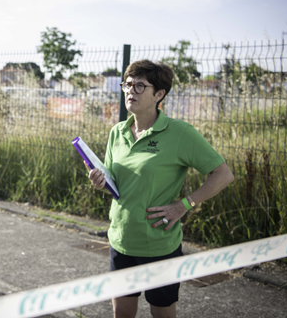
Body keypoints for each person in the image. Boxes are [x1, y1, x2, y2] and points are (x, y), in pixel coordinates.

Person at [87, 60, 234, 318]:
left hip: (159, 246)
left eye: (140, 86)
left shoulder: (180, 133)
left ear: (159, 95)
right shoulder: (117, 132)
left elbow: (223, 174)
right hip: (121, 241)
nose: (131, 91)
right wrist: (100, 183)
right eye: (128, 85)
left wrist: (185, 204)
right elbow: (115, 186)